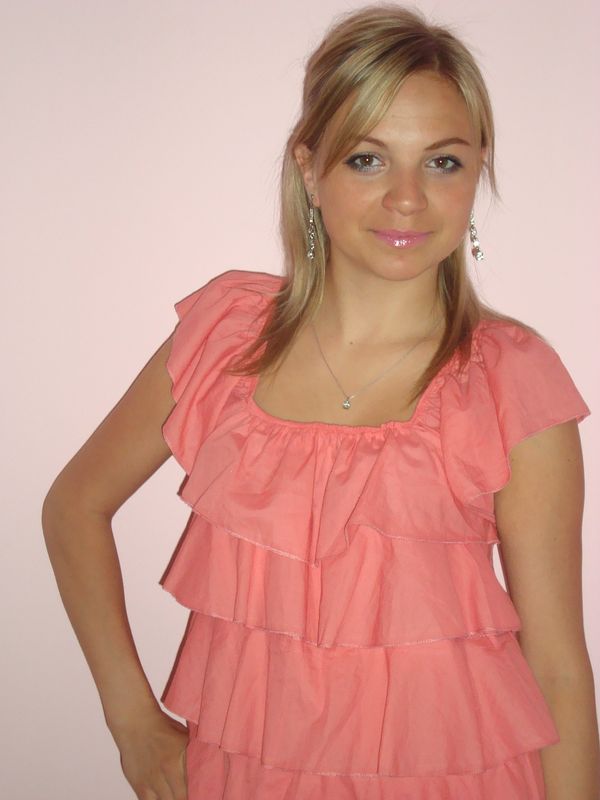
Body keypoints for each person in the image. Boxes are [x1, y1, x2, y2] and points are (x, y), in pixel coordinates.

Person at [42, 4, 599, 799]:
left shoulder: (509, 380)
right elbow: (74, 507)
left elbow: (559, 668)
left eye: (442, 162)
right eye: (368, 159)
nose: (407, 198)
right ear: (311, 170)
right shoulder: (224, 341)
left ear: (478, 171)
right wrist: (134, 723)